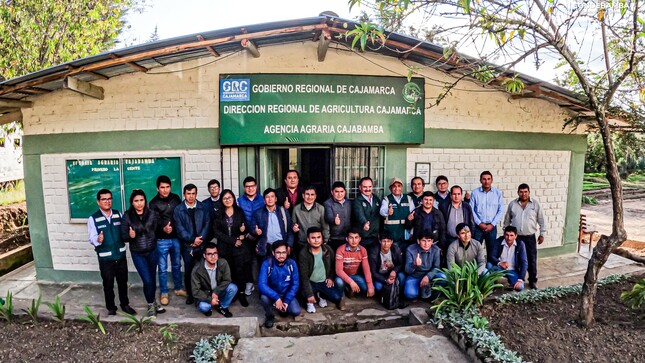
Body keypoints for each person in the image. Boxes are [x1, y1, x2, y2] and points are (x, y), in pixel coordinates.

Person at [87, 189, 136, 316]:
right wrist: (98, 239)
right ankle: (111, 307)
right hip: (105, 258)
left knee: (122, 282)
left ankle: (124, 304)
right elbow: (91, 237)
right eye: (104, 199)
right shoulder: (93, 218)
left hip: (120, 255)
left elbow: (124, 232)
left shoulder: (118, 214)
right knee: (108, 284)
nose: (107, 201)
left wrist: (130, 235)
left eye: (109, 198)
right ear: (98, 202)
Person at [121, 189, 165, 317]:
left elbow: (158, 229)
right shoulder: (127, 216)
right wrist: (130, 236)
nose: (139, 203)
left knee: (152, 279)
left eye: (141, 200)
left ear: (145, 201)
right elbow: (123, 237)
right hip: (138, 253)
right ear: (132, 202)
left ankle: (153, 302)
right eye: (136, 201)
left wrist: (165, 229)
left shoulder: (152, 214)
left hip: (152, 251)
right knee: (147, 281)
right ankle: (151, 305)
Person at [212, 189, 253, 307]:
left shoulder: (239, 211)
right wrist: (233, 240)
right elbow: (217, 233)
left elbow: (245, 228)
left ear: (233, 199)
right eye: (225, 198)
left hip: (238, 248)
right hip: (224, 247)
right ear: (222, 201)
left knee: (240, 271)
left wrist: (243, 231)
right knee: (228, 272)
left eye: (229, 198)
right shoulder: (218, 213)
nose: (227, 200)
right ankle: (232, 293)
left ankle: (241, 293)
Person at [149, 175, 184, 306]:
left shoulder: (176, 198)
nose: (165, 190)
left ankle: (178, 288)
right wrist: (163, 228)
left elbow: (180, 216)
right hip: (161, 240)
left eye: (167, 187)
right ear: (157, 188)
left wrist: (173, 228)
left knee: (177, 264)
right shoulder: (153, 203)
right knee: (163, 268)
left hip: (176, 238)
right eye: (162, 187)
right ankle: (164, 292)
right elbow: (154, 222)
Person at [174, 183, 211, 305]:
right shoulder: (179, 209)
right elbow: (179, 229)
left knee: (203, 269)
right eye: (188, 194)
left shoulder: (203, 207)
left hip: (201, 244)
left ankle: (204, 292)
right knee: (189, 271)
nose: (191, 196)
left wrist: (200, 239)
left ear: (196, 194)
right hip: (187, 246)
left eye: (193, 193)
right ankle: (190, 294)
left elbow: (207, 224)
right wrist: (192, 240)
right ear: (184, 194)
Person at [503, 183, 546, 289]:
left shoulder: (535, 205)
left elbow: (541, 220)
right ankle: (516, 279)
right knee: (516, 259)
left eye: (525, 192)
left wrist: (542, 234)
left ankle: (532, 280)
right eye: (521, 192)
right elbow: (507, 221)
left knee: (531, 259)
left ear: (529, 192)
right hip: (516, 237)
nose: (523, 194)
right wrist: (506, 234)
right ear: (518, 192)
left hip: (529, 237)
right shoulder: (512, 204)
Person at [298, 227, 345, 313]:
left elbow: (332, 267)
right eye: (313, 238)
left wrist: (330, 278)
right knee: (303, 294)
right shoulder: (303, 253)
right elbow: (304, 276)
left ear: (322, 239)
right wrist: (309, 294)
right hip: (310, 282)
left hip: (323, 281)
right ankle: (310, 301)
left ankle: (321, 295)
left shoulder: (328, 250)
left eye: (318, 237)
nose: (316, 240)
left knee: (337, 297)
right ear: (308, 240)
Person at [258, 241, 301, 328]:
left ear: (287, 252)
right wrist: (276, 298)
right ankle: (270, 316)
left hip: (286, 293)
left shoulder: (291, 264)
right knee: (264, 298)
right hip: (272, 294)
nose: (281, 255)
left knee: (295, 311)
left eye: (283, 252)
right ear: (273, 253)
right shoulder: (267, 264)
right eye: (278, 252)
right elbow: (262, 284)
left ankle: (283, 308)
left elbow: (295, 284)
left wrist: (287, 300)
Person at [191, 242, 238, 317]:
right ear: (204, 255)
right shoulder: (197, 270)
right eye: (209, 254)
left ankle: (223, 307)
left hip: (218, 292)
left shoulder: (223, 263)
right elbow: (195, 291)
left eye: (215, 253)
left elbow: (227, 280)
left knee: (233, 288)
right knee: (204, 307)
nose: (213, 257)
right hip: (205, 294)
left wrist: (216, 292)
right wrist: (210, 300)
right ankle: (211, 306)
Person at [470, 171, 505, 262]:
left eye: (488, 179)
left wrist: (492, 224)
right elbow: (471, 210)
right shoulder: (475, 193)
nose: (486, 181)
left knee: (492, 251)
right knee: (475, 250)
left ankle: (490, 271)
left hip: (492, 227)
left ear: (492, 180)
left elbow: (500, 210)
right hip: (478, 227)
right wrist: (479, 223)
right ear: (480, 180)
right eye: (484, 179)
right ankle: (475, 271)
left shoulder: (498, 193)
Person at [253, 188, 294, 258]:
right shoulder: (258, 213)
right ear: (264, 200)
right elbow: (252, 227)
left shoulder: (283, 211)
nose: (270, 199)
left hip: (282, 247)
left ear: (276, 199)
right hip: (266, 247)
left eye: (272, 196)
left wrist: (289, 244)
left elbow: (290, 230)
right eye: (267, 197)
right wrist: (255, 231)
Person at [404, 231, 445, 300]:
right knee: (410, 294)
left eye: (429, 241)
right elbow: (407, 271)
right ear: (418, 241)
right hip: (415, 276)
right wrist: (414, 264)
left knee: (444, 278)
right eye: (423, 241)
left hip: (430, 275)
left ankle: (431, 292)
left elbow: (436, 267)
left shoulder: (436, 250)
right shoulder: (410, 249)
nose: (426, 244)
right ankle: (421, 290)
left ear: (432, 241)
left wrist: (428, 277)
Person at [335, 228, 375, 298]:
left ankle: (349, 288)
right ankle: (342, 296)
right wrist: (351, 282)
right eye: (351, 238)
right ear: (347, 239)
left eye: (356, 238)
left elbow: (366, 269)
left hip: (354, 275)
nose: (354, 240)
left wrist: (370, 285)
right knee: (339, 282)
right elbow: (339, 271)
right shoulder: (340, 250)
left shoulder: (363, 250)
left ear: (359, 239)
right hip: (341, 276)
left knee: (366, 288)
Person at [405, 191, 447, 255]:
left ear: (433, 201)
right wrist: (409, 220)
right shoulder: (416, 212)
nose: (428, 202)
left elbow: (443, 231)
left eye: (430, 200)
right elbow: (408, 227)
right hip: (418, 244)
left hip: (434, 244)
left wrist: (441, 246)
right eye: (426, 200)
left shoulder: (438, 213)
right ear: (422, 200)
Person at [292, 185, 329, 256]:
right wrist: (294, 228)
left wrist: (325, 241)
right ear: (303, 195)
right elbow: (293, 224)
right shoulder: (296, 209)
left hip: (317, 243)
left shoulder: (321, 208)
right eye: (307, 194)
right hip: (302, 243)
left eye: (312, 194)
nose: (310, 197)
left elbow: (325, 226)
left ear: (315, 196)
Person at [488, 226, 528, 291]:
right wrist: (500, 263)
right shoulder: (498, 241)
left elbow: (524, 263)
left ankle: (510, 284)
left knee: (520, 287)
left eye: (511, 235)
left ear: (516, 236)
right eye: (507, 235)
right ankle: (491, 287)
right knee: (489, 265)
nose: (509, 238)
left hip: (513, 270)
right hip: (500, 268)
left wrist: (520, 279)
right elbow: (491, 255)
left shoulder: (520, 244)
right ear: (504, 234)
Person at [380, 177, 414, 248]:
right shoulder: (387, 199)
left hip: (405, 234)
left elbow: (413, 212)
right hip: (392, 234)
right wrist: (387, 212)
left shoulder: (408, 198)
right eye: (394, 186)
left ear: (402, 187)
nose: (397, 188)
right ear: (390, 188)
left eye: (399, 186)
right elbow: (382, 211)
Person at [351, 177, 382, 248]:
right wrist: (364, 222)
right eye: (365, 187)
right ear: (360, 187)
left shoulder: (376, 199)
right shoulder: (357, 201)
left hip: (375, 236)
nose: (367, 189)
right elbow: (359, 214)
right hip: (363, 236)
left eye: (370, 187)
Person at [324, 181, 352, 251]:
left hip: (348, 237)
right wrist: (334, 220)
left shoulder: (349, 203)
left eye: (341, 191)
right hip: (334, 238)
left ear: (345, 192)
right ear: (332, 192)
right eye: (336, 191)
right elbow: (328, 217)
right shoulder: (328, 203)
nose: (339, 194)